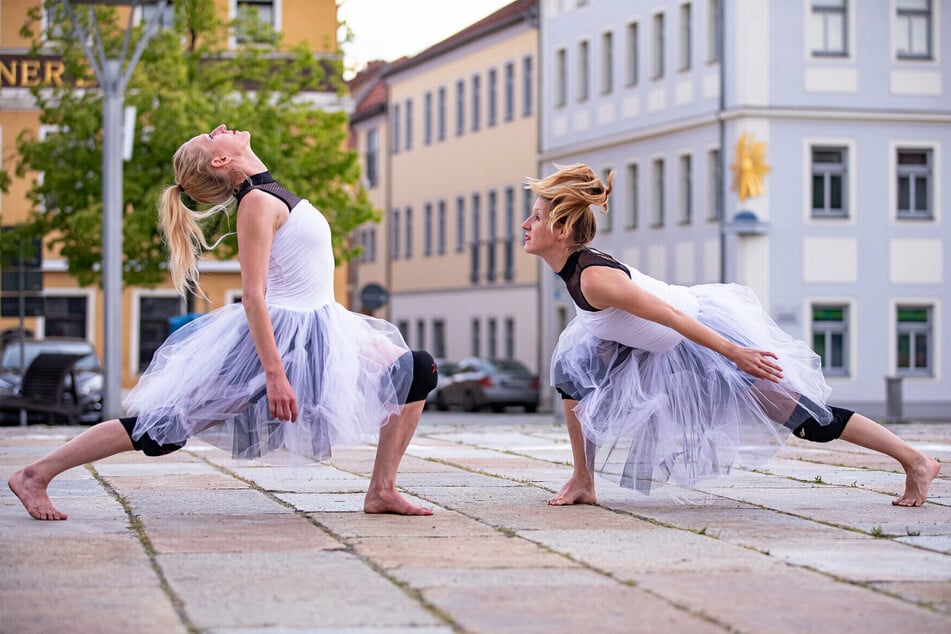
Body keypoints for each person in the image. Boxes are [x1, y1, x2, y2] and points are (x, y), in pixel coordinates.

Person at [9, 124, 436, 520]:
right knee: (162, 429)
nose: (221, 130)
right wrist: (275, 375)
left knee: (417, 370)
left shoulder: (269, 193)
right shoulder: (255, 204)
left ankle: (381, 489)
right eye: (213, 137)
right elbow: (253, 296)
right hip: (277, 342)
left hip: (322, 328)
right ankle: (36, 474)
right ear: (220, 162)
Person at [522, 163, 941, 508]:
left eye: (536, 217)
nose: (526, 224)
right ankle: (583, 480)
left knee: (803, 417)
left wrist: (735, 353)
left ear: (560, 231)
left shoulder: (594, 278)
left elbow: (669, 315)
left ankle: (915, 460)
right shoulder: (574, 272)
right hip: (663, 346)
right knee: (572, 371)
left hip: (705, 340)